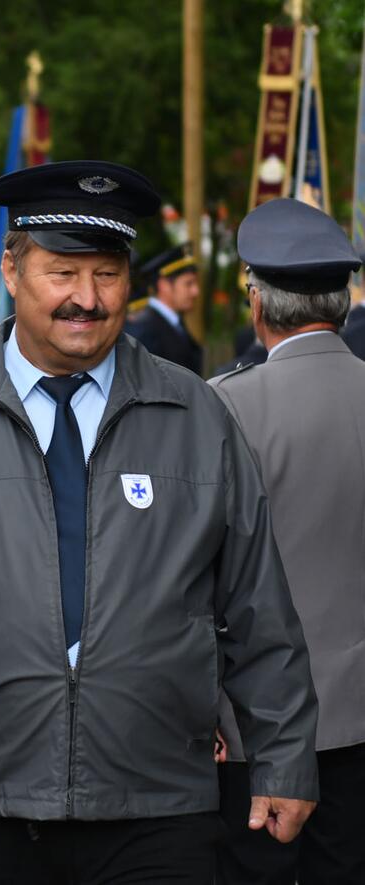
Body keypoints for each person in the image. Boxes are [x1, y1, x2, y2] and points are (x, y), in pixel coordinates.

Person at [0, 160, 320, 885]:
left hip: (157, 801)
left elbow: (256, 604)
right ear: (13, 270)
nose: (86, 298)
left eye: (107, 274)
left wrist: (285, 754)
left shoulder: (196, 414)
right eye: (63, 272)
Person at [209, 197, 365, 885]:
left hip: (256, 727)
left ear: (257, 303)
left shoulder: (227, 405)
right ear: (344, 299)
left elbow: (197, 576)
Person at [125, 242, 204, 373]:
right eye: (188, 284)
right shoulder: (144, 329)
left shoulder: (172, 323)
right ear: (164, 286)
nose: (196, 291)